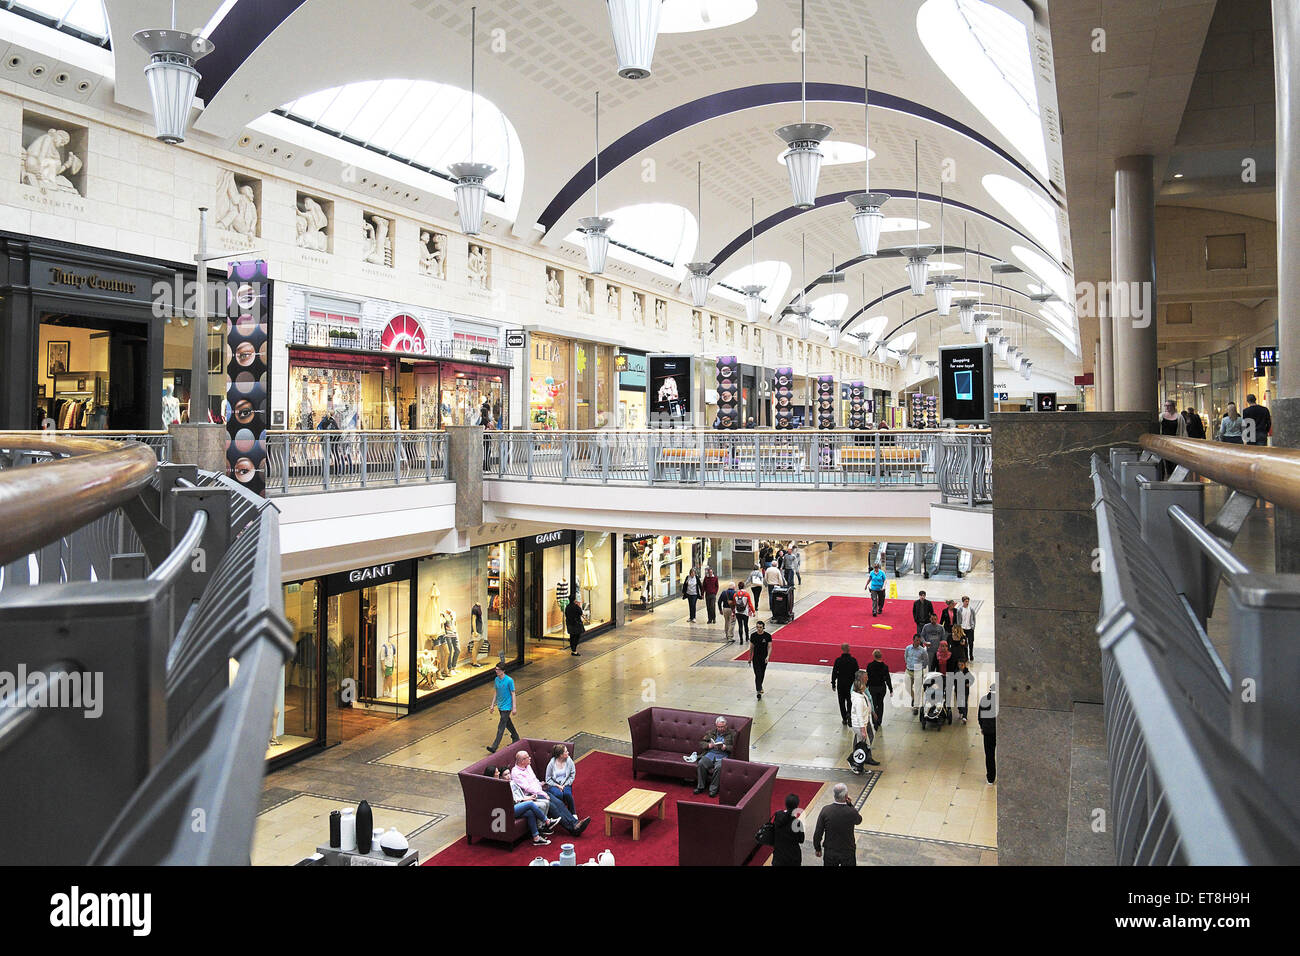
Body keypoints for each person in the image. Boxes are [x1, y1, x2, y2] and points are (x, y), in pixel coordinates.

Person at [510, 750, 591, 837]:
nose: (530, 758)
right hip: (531, 795)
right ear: (522, 761)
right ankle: (572, 829)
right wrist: (543, 793)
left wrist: (540, 784)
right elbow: (528, 788)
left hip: (540, 791)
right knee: (553, 807)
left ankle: (575, 823)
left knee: (559, 803)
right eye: (527, 757)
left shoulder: (527, 766)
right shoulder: (516, 773)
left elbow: (533, 780)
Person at [813, 783, 863, 866]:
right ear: (846, 796)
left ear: (834, 795)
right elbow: (859, 820)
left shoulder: (826, 810)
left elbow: (818, 832)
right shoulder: (851, 811)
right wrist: (850, 805)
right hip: (847, 850)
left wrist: (817, 848)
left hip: (831, 850)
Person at [693, 716, 734, 796]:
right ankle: (700, 787)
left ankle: (713, 789)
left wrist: (725, 747)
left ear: (726, 726)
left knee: (719, 767)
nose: (720, 729)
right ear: (716, 726)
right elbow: (701, 743)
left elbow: (735, 748)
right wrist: (709, 745)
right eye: (718, 727)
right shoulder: (711, 732)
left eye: (722, 727)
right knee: (701, 763)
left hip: (723, 756)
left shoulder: (732, 734)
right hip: (710, 754)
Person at [849, 670, 879, 770]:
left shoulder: (862, 691)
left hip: (865, 720)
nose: (867, 678)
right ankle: (858, 758)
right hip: (861, 723)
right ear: (861, 679)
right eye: (866, 677)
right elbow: (859, 714)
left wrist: (872, 711)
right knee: (863, 741)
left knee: (864, 740)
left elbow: (868, 700)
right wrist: (862, 729)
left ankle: (861, 757)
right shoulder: (857, 695)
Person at [486, 663, 519, 753]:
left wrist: (514, 707)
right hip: (500, 705)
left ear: (503, 671)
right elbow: (496, 692)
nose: (496, 671)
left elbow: (513, 693)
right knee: (508, 723)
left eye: (498, 670)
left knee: (501, 726)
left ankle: (494, 746)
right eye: (496, 669)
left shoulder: (509, 680)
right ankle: (515, 737)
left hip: (507, 706)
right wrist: (492, 705)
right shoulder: (496, 679)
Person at [771, 793, 806, 867]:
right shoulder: (797, 823)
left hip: (778, 858)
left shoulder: (778, 815)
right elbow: (801, 840)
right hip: (792, 858)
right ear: (796, 807)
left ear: (785, 804)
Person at [830, 644, 860, 726]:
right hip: (850, 685)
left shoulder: (838, 660)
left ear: (842, 649)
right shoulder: (853, 660)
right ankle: (849, 714)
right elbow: (857, 673)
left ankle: (844, 718)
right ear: (849, 649)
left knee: (841, 701)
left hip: (841, 684)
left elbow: (834, 672)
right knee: (850, 701)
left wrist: (833, 683)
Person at [544, 743, 577, 815]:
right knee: (558, 794)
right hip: (554, 785)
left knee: (567, 794)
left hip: (566, 783)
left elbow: (572, 775)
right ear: (561, 755)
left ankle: (573, 813)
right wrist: (558, 786)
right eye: (566, 751)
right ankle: (562, 813)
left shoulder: (569, 761)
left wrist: (565, 784)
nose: (568, 752)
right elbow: (548, 779)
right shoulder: (551, 764)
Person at [1158, 400, 1187, 476]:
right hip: (1164, 442)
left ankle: (1172, 475)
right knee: (1165, 460)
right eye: (1165, 406)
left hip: (1175, 442)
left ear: (1173, 407)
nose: (1167, 407)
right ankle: (1166, 474)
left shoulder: (1179, 417)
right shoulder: (1161, 416)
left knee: (1174, 461)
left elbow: (1183, 430)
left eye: (1169, 405)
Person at [865, 649, 892, 727]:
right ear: (881, 656)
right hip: (881, 688)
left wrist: (865, 687)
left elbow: (867, 678)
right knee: (880, 704)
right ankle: (879, 720)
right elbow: (887, 678)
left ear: (874, 656)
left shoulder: (870, 666)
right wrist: (890, 689)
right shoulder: (885, 667)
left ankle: (874, 721)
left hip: (873, 688)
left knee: (873, 704)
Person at [903, 634, 929, 715]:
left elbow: (926, 660)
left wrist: (921, 667)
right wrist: (908, 665)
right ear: (913, 640)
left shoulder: (922, 650)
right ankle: (914, 698)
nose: (918, 642)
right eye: (916, 640)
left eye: (919, 640)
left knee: (917, 690)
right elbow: (905, 657)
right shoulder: (908, 648)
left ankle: (916, 707)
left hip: (918, 671)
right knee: (908, 687)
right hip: (909, 670)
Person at [978, 684, 997, 783]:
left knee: (989, 755)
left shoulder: (984, 700)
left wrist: (982, 727)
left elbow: (980, 717)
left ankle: (991, 778)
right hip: (999, 732)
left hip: (988, 732)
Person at [750, 621, 772, 699]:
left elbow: (769, 647)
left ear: (763, 627)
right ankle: (759, 689)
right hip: (755, 658)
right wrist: (750, 658)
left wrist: (768, 656)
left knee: (762, 674)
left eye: (760, 627)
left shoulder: (767, 636)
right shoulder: (753, 636)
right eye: (757, 627)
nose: (759, 629)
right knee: (758, 674)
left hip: (764, 658)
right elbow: (751, 647)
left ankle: (759, 687)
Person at [952, 660, 976, 725]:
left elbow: (972, 679)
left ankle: (965, 717)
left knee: (964, 702)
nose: (960, 666)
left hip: (965, 690)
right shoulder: (956, 671)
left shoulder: (967, 672)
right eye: (959, 665)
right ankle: (960, 710)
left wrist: (969, 684)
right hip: (958, 689)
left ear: (964, 665)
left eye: (962, 665)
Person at [958, 595, 977, 662]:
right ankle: (966, 656)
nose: (967, 602)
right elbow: (958, 620)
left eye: (968, 601)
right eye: (966, 601)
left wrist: (973, 626)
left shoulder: (971, 609)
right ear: (963, 602)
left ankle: (971, 654)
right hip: (963, 629)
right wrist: (959, 628)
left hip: (970, 629)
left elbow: (974, 619)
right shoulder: (960, 610)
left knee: (971, 642)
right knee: (964, 643)